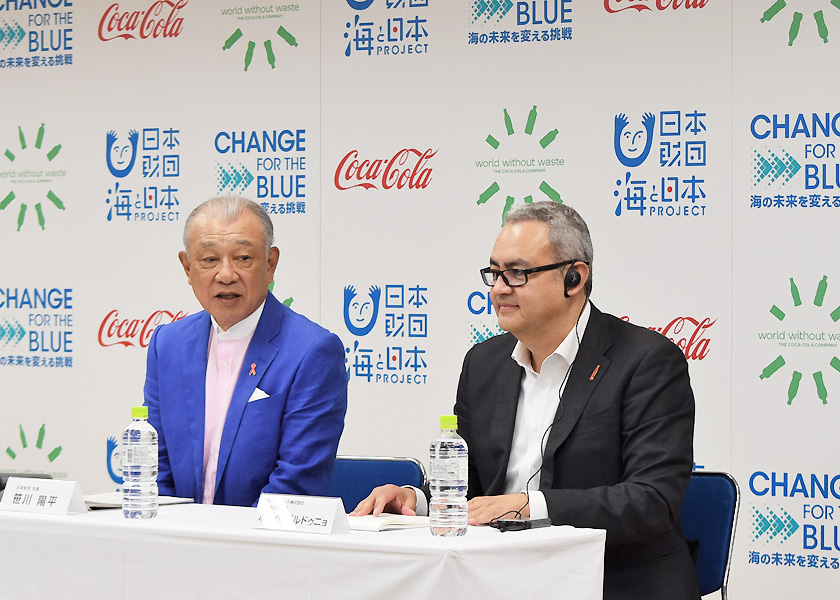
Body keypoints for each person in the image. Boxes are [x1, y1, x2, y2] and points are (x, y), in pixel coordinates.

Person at [351, 201, 700, 599]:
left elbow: (651, 501)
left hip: (612, 580)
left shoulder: (645, 361)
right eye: (495, 273)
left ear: (574, 277)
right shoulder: (484, 364)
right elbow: (473, 488)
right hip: (498, 578)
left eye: (518, 273)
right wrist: (417, 499)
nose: (499, 288)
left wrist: (527, 506)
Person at [144, 195, 347, 507]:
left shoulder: (312, 351)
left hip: (263, 548)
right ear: (187, 267)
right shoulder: (167, 344)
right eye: (209, 260)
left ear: (270, 264)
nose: (226, 274)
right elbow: (155, 469)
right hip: (177, 546)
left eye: (242, 258)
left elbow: (295, 486)